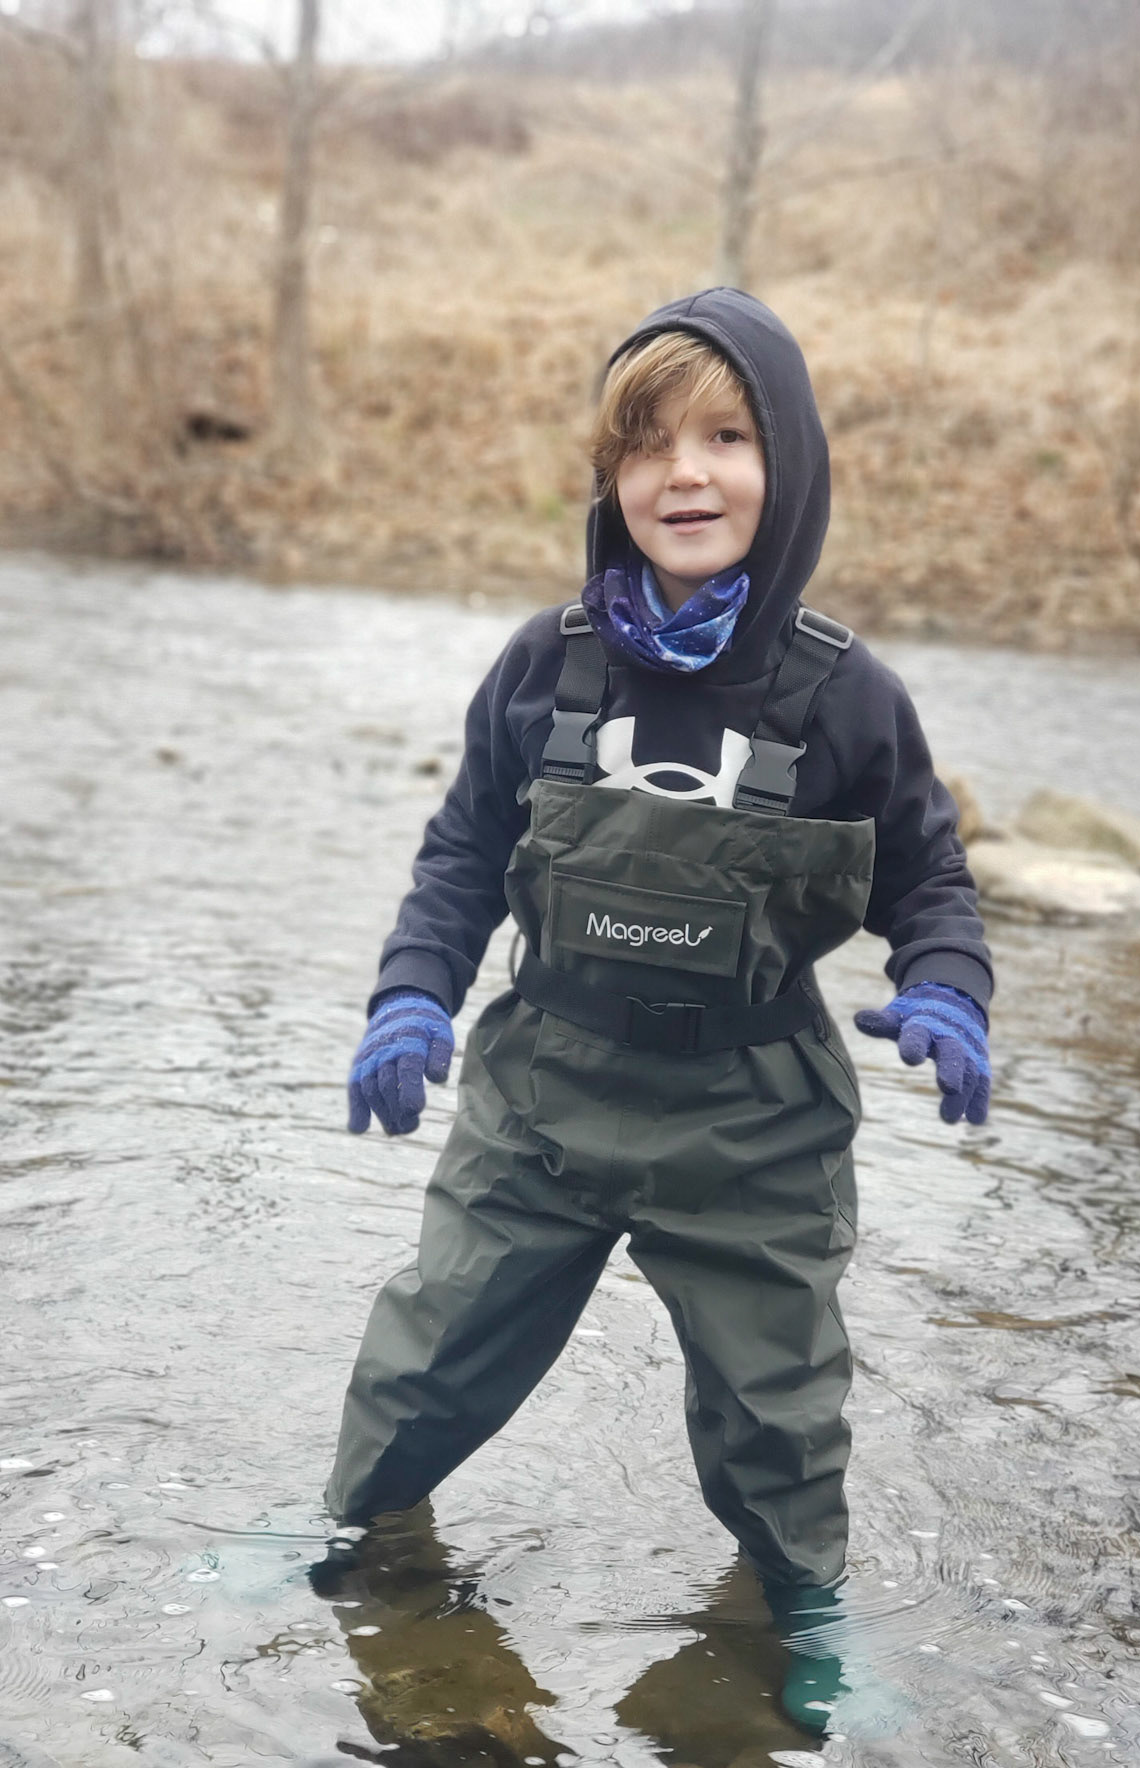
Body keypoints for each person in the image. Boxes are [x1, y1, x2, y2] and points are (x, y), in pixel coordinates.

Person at [326, 288, 992, 1628]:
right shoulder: (541, 668)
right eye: (647, 445)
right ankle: (354, 1550)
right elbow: (462, 856)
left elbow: (930, 879)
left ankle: (801, 1618)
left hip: (752, 1123)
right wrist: (411, 996)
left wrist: (947, 989)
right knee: (423, 1359)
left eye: (727, 438)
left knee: (778, 1416)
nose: (685, 471)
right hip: (542, 1103)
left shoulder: (851, 698)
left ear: (786, 466)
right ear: (611, 477)